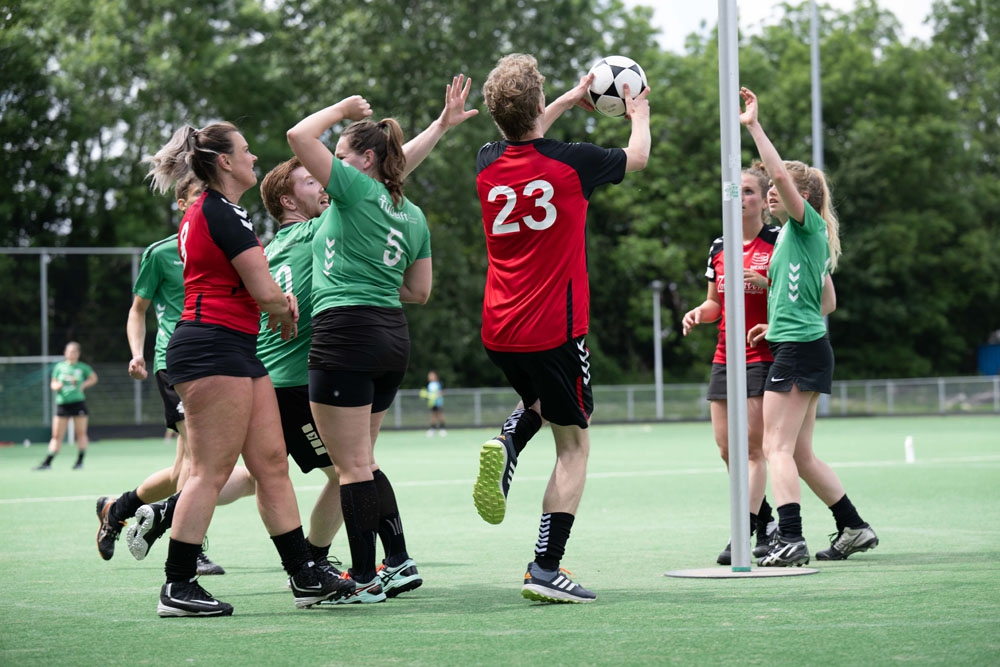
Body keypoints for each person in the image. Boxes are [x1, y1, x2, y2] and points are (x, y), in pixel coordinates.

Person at [140, 121, 353, 617]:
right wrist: (285, 306)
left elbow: (253, 291)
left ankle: (303, 574)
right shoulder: (219, 212)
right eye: (246, 151)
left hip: (235, 346)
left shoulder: (215, 210)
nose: (254, 157)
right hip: (211, 347)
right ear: (225, 163)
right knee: (209, 471)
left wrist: (278, 304)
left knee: (272, 464)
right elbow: (263, 291)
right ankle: (177, 584)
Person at [287, 74, 476, 604]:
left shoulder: (355, 190)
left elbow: (299, 137)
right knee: (363, 462)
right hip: (391, 336)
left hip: (344, 332)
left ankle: (365, 578)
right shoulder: (411, 214)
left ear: (364, 163)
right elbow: (419, 291)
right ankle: (389, 567)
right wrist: (439, 125)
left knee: (350, 468)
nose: (333, 171)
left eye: (342, 158)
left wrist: (341, 109)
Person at [471, 54, 650, 603]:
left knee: (542, 407)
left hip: (500, 328)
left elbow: (526, 133)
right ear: (536, 104)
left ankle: (508, 441)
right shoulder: (575, 164)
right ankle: (545, 568)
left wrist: (571, 100)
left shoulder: (486, 161)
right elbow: (637, 158)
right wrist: (638, 111)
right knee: (574, 446)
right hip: (555, 329)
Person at [739, 86, 878, 566]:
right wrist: (773, 325)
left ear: (800, 197)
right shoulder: (795, 243)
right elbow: (827, 301)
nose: (770, 193)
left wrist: (755, 126)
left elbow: (777, 172)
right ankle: (854, 527)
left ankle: (791, 539)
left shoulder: (804, 226)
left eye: (776, 191)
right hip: (801, 345)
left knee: (774, 447)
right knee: (799, 453)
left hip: (800, 351)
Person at [94, 174, 251, 575]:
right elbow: (137, 310)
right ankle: (189, 545)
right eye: (199, 195)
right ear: (183, 205)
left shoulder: (230, 245)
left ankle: (119, 508)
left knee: (187, 464)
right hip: (176, 363)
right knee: (201, 460)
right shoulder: (161, 254)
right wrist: (137, 353)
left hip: (222, 361)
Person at [682, 164, 778, 565]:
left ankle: (743, 529)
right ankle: (766, 520)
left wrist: (766, 283)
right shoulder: (719, 246)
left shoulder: (778, 239)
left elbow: (796, 291)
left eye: (750, 192)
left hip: (762, 354)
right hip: (724, 355)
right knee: (727, 450)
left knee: (754, 450)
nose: (742, 198)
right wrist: (698, 313)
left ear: (763, 200)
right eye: (737, 192)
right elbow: (715, 303)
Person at [36, 341, 98, 470]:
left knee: (81, 433)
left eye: (74, 352)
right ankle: (48, 462)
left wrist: (83, 385)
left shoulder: (83, 367)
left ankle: (79, 462)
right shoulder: (59, 367)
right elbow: (53, 384)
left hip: (78, 403)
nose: (72, 354)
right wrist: (56, 386)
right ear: (65, 353)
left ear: (78, 354)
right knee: (57, 435)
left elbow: (93, 378)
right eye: (69, 352)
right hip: (62, 404)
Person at [422, 370, 446, 437]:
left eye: (431, 375)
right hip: (432, 403)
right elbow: (429, 394)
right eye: (429, 376)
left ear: (435, 376)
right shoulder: (429, 385)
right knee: (433, 416)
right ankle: (433, 429)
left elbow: (442, 392)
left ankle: (442, 429)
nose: (430, 377)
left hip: (438, 402)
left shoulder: (438, 383)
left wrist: (437, 395)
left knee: (440, 415)